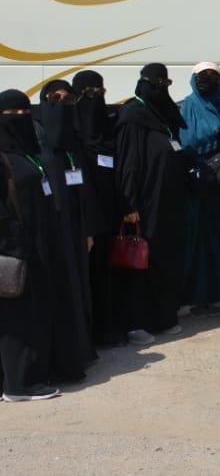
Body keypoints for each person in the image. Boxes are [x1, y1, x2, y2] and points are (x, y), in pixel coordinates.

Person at [115, 63, 189, 342]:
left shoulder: (164, 114)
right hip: (145, 202)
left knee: (166, 258)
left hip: (168, 201)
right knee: (143, 259)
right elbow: (128, 164)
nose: (160, 89)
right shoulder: (133, 116)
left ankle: (164, 316)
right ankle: (138, 322)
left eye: (165, 84)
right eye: (155, 84)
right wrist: (129, 205)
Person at [0, 90, 61, 401]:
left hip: (32, 244)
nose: (21, 119)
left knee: (28, 314)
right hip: (12, 249)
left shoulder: (27, 153)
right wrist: (13, 242)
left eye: (26, 112)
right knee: (15, 317)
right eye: (13, 114)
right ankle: (19, 385)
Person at [37, 80, 96, 381]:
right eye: (54, 98)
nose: (61, 104)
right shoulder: (37, 144)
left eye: (67, 98)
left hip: (75, 229)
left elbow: (84, 193)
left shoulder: (75, 144)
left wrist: (87, 230)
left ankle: (82, 348)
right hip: (52, 231)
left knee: (79, 287)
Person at [178, 62, 220, 315]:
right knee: (192, 240)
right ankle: (189, 297)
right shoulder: (182, 108)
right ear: (194, 78)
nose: (209, 79)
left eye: (213, 76)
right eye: (204, 75)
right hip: (193, 185)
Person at [71, 70, 125, 348]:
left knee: (110, 277)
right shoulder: (70, 132)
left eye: (100, 92)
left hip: (111, 215)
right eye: (89, 93)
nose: (96, 98)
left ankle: (110, 330)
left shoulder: (108, 128)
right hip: (87, 221)